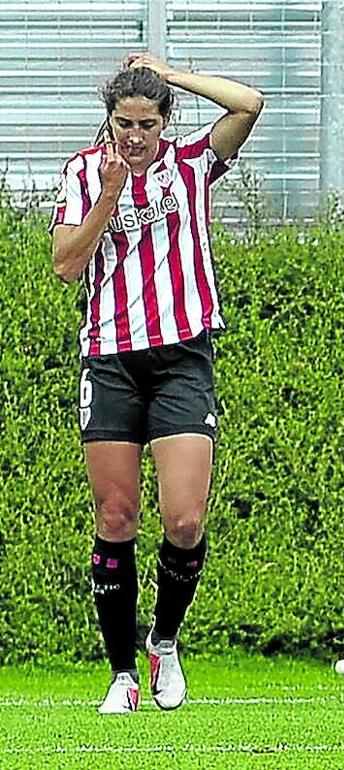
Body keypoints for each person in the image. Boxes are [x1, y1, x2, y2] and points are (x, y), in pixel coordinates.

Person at [50, 54, 263, 714]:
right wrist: (111, 193)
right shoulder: (86, 172)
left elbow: (249, 104)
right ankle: (121, 675)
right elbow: (65, 264)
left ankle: (163, 640)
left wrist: (170, 73)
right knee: (116, 518)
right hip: (110, 360)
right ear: (108, 122)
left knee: (185, 518)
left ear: (164, 121)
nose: (134, 137)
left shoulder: (193, 161)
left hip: (181, 358)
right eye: (123, 124)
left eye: (146, 124)